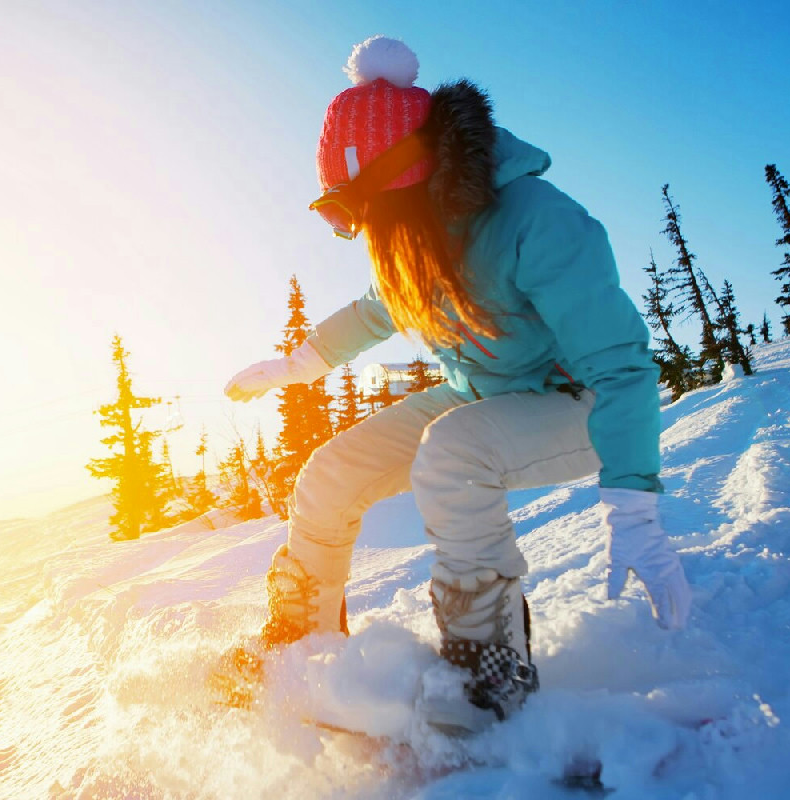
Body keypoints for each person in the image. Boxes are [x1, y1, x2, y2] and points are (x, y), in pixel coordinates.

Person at [221, 35, 691, 734]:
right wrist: (298, 364)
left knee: (454, 453)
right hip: (480, 391)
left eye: (363, 208)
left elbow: (622, 368)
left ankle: (490, 667)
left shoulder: (538, 219)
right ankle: (303, 643)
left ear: (414, 175)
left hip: (576, 401)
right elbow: (379, 308)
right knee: (330, 472)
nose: (360, 229)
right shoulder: (414, 233)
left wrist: (634, 510)